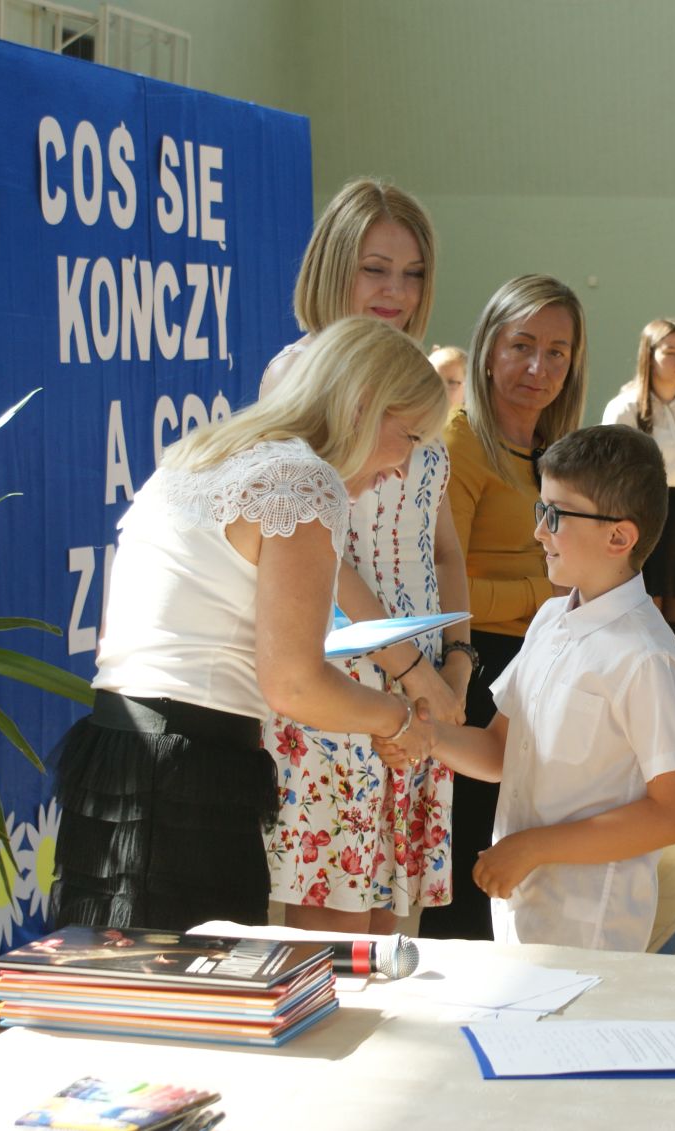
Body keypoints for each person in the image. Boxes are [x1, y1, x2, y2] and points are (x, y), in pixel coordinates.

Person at [52, 317, 448, 932]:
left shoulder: (207, 453)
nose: (404, 467)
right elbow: (294, 684)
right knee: (186, 985)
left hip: (118, 751)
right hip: (184, 773)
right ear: (364, 404)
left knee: (118, 980)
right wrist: (396, 720)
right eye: (411, 436)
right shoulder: (302, 481)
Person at [380, 426, 675, 952]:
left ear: (618, 538)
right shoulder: (551, 619)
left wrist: (533, 847)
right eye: (540, 510)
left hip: (591, 929)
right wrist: (424, 734)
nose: (538, 532)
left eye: (555, 515)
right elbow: (500, 749)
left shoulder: (646, 659)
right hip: (523, 909)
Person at [257, 178, 471, 934]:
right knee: (332, 928)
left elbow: (442, 545)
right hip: (339, 675)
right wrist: (411, 669)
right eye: (375, 269)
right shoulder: (299, 373)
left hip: (420, 672)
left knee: (389, 928)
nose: (396, 291)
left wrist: (457, 660)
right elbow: (316, 551)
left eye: (412, 273)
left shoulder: (413, 378)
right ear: (333, 267)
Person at [421, 274, 588, 941]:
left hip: (542, 665)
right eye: (522, 346)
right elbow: (442, 587)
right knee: (471, 869)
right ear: (488, 350)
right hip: (480, 669)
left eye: (556, 351)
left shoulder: (556, 452)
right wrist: (542, 594)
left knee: (524, 859)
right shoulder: (458, 445)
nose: (537, 367)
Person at [603, 318, 675, 778]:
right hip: (646, 523)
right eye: (670, 351)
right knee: (645, 643)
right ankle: (636, 751)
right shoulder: (625, 408)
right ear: (648, 355)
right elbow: (609, 480)